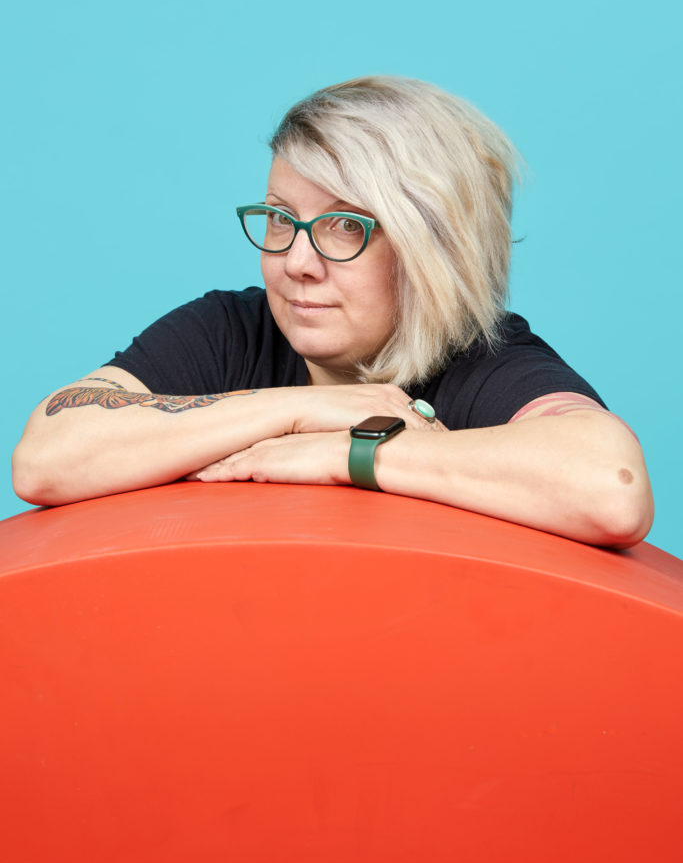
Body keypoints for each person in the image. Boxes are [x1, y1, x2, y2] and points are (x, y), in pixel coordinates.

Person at [12, 76, 653, 547]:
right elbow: (46, 457)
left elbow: (611, 487)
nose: (297, 261)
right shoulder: (232, 329)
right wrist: (297, 410)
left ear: (433, 247)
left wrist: (346, 454)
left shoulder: (485, 360)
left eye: (345, 226)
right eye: (280, 218)